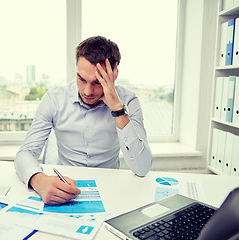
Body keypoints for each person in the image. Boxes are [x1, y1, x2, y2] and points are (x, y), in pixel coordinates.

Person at [14, 36, 153, 205]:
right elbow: (25, 153)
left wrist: (117, 108)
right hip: (66, 186)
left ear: (114, 74)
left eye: (97, 82)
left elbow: (142, 167)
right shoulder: (54, 99)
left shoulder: (128, 101)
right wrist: (39, 180)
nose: (88, 91)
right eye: (82, 79)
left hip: (110, 190)